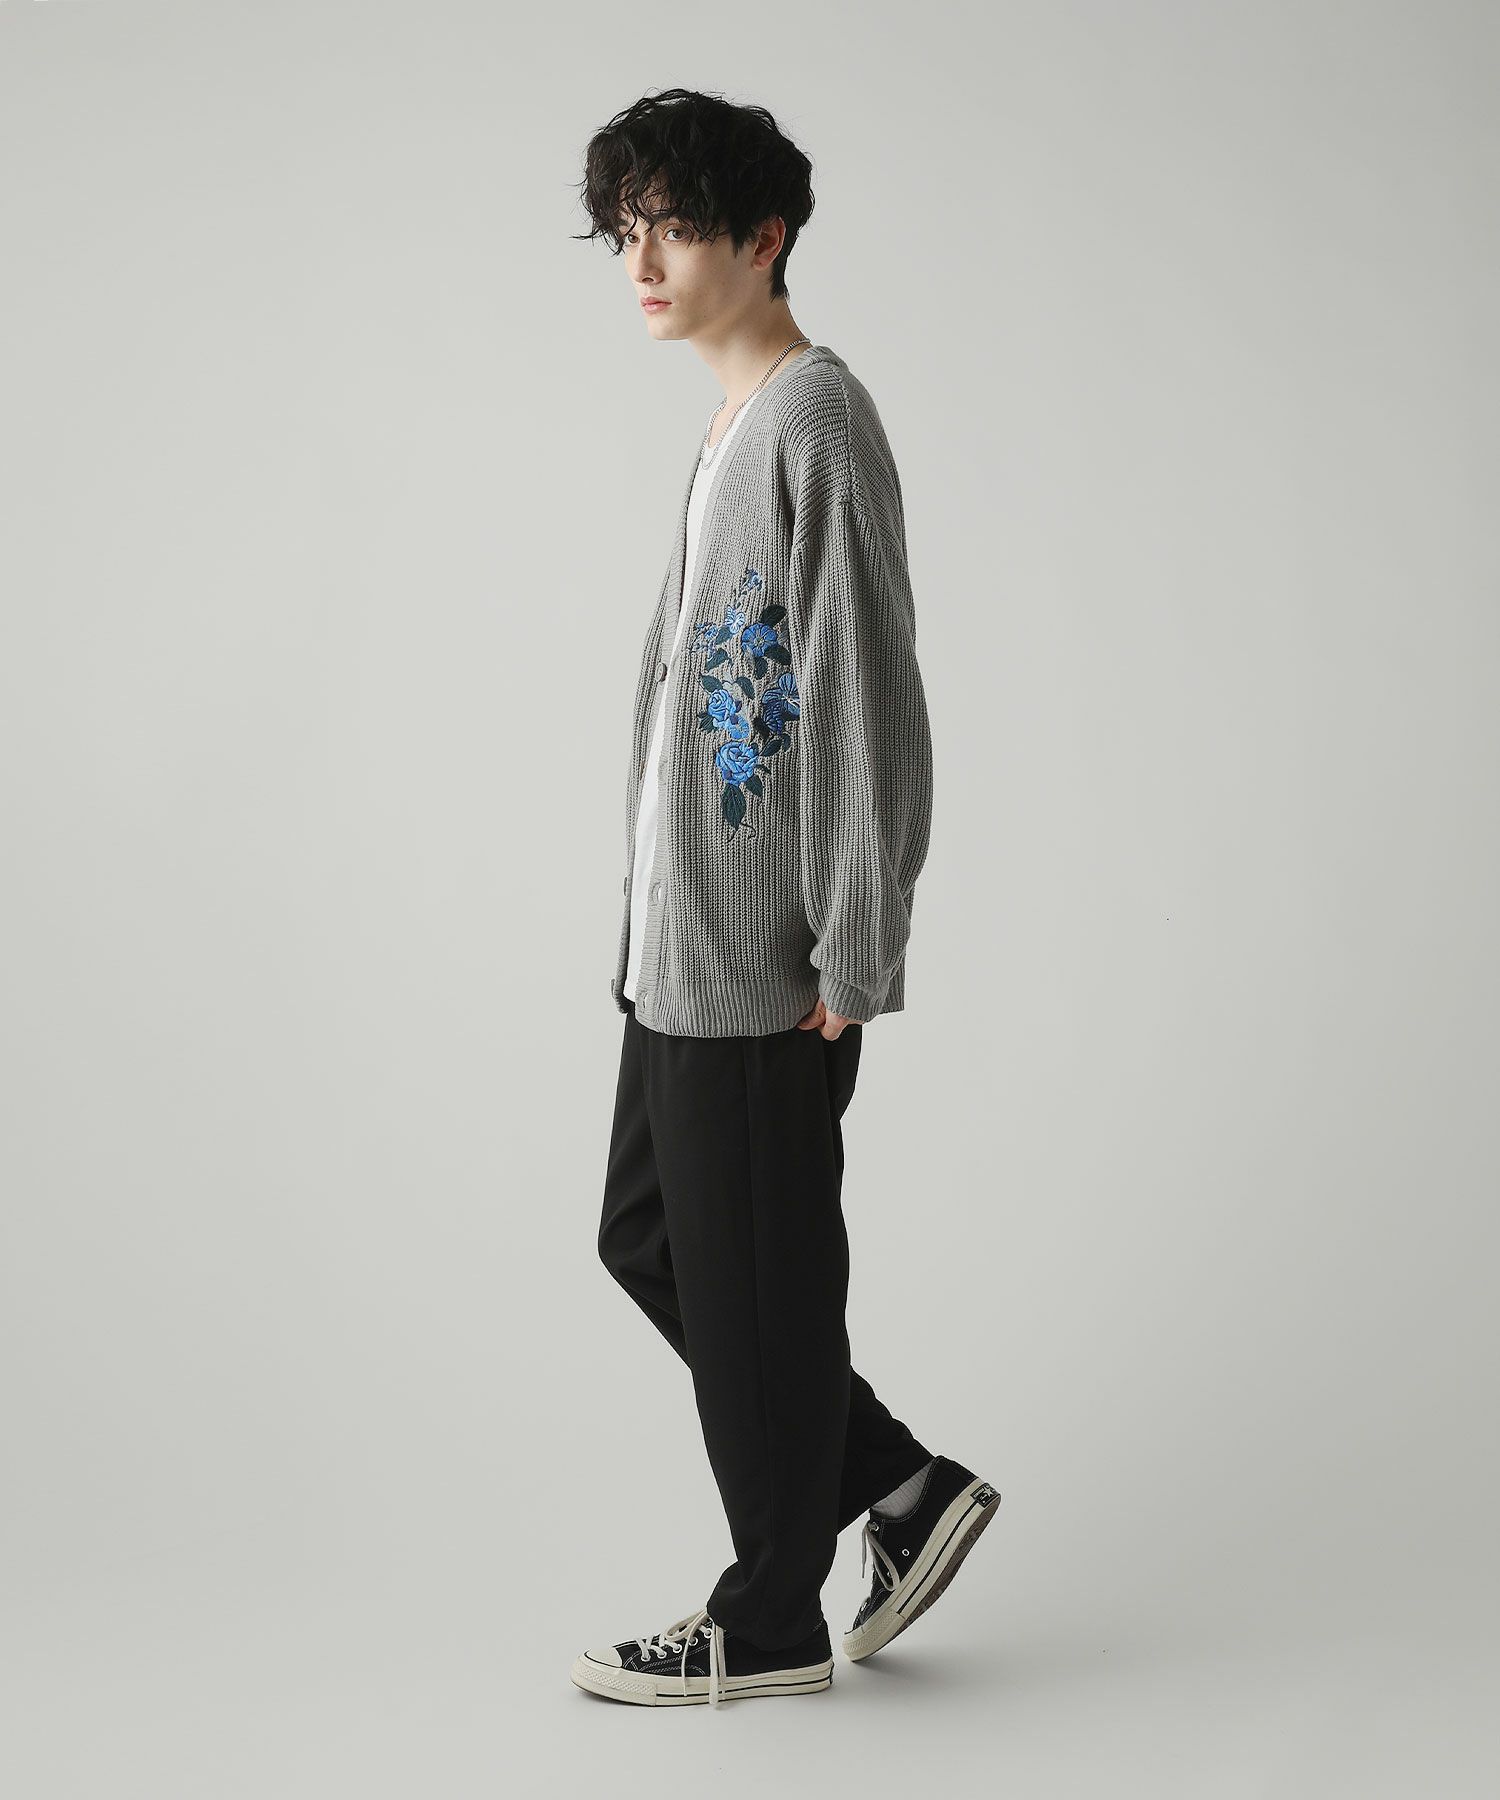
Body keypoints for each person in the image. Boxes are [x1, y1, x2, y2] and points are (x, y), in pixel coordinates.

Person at [568, 88, 1000, 1710]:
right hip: (683, 946)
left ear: (766, 238)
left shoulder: (818, 420)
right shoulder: (729, 429)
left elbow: (866, 691)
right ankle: (902, 1486)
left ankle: (766, 1620)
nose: (643, 263)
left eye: (675, 229)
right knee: (651, 1238)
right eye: (627, 232)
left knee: (760, 1285)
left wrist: (855, 940)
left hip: (767, 953)